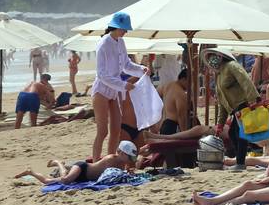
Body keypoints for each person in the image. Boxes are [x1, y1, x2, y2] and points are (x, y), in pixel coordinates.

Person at [92, 12, 148, 161]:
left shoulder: (121, 42)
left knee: (116, 130)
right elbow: (102, 74)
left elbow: (126, 65)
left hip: (115, 90)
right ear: (116, 27)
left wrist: (141, 69)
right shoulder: (103, 44)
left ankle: (110, 160)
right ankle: (96, 162)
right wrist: (124, 85)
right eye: (124, 28)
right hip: (101, 90)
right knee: (102, 131)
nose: (126, 31)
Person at [205, 48, 261, 171]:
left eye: (213, 56)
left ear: (220, 56)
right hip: (235, 110)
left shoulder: (232, 66)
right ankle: (241, 159)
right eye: (209, 58)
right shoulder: (219, 76)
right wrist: (220, 123)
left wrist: (253, 99)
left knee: (239, 133)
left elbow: (245, 80)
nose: (211, 60)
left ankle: (240, 162)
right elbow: (222, 103)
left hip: (244, 104)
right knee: (233, 133)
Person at [14, 140, 138, 185]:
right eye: (129, 157)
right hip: (82, 167)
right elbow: (109, 175)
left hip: (84, 179)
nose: (130, 161)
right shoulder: (111, 159)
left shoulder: (123, 163)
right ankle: (58, 163)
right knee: (65, 180)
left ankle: (30, 172)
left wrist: (128, 172)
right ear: (121, 153)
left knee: (47, 181)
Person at [157, 68, 189, 135]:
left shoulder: (167, 85)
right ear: (183, 79)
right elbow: (181, 116)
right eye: (190, 82)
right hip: (173, 127)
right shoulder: (181, 94)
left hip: (164, 125)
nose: (191, 85)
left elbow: (156, 95)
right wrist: (185, 133)